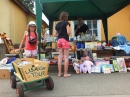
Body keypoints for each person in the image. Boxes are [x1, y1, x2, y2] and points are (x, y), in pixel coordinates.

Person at [54, 11, 71, 78]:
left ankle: (59, 73)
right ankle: (65, 73)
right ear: (66, 17)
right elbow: (68, 32)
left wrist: (60, 34)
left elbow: (55, 34)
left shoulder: (57, 24)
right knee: (66, 57)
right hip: (65, 40)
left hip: (59, 40)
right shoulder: (66, 23)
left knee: (60, 56)